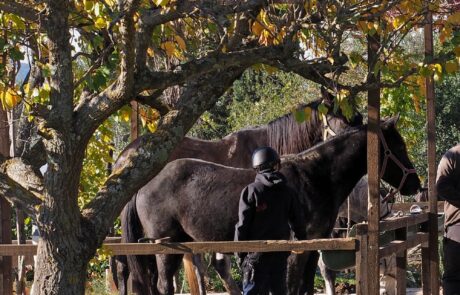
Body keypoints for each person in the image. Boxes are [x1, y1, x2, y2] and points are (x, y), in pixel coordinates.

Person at [234, 146, 307, 295]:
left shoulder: (251, 191)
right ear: (276, 165)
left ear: (256, 168)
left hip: (255, 257)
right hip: (280, 255)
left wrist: (239, 254)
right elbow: (298, 222)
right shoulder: (288, 192)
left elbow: (242, 226)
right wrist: (300, 242)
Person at [436, 144, 460, 295]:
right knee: (454, 278)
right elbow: (442, 186)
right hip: (457, 227)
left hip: (456, 227)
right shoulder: (453, 155)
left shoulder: (452, 154)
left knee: (454, 279)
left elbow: (442, 186)